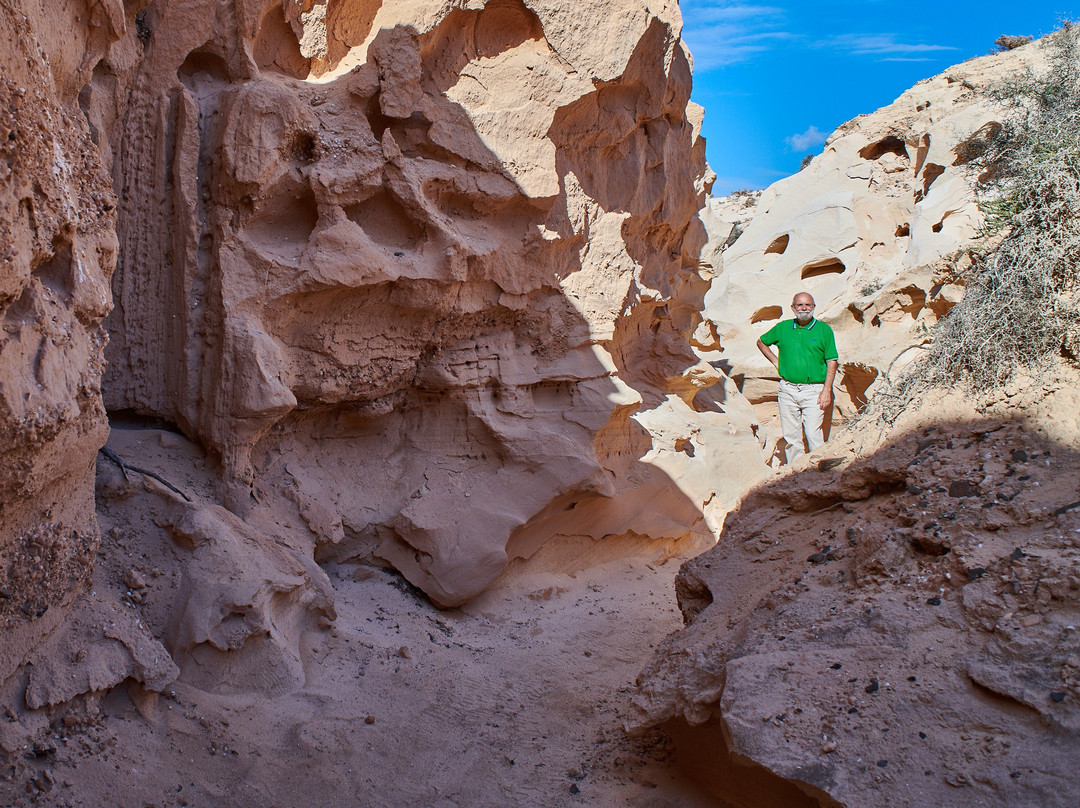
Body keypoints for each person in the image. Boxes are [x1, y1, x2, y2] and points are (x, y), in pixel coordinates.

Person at [755, 292, 838, 464]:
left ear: (814, 307)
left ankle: (819, 465)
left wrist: (826, 390)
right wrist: (775, 362)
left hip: (814, 389)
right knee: (791, 434)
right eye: (799, 305)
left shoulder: (824, 330)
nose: (804, 308)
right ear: (792, 308)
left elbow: (832, 361)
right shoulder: (783, 327)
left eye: (808, 305)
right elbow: (761, 342)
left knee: (812, 432)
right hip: (788, 388)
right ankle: (797, 469)